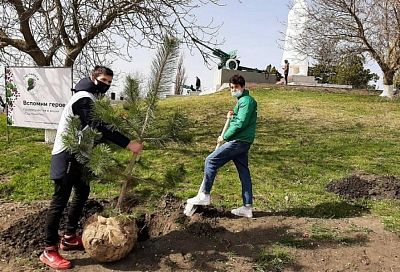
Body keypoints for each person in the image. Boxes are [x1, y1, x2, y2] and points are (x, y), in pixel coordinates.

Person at [39, 66, 143, 270]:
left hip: (79, 157)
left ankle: (69, 237)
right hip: (66, 155)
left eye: (110, 83)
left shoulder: (92, 99)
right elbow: (98, 126)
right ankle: (49, 250)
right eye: (103, 80)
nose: (106, 85)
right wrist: (128, 143)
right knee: (59, 201)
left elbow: (98, 132)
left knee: (82, 191)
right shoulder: (83, 98)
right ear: (93, 78)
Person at [187, 74, 257, 218]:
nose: (233, 90)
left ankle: (204, 195)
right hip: (244, 142)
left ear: (243, 87)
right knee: (244, 172)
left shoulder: (246, 101)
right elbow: (240, 118)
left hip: (238, 141)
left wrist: (224, 137)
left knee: (210, 161)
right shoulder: (243, 101)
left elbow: (241, 123)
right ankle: (247, 207)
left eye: (236, 87)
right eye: (231, 87)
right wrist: (233, 114)